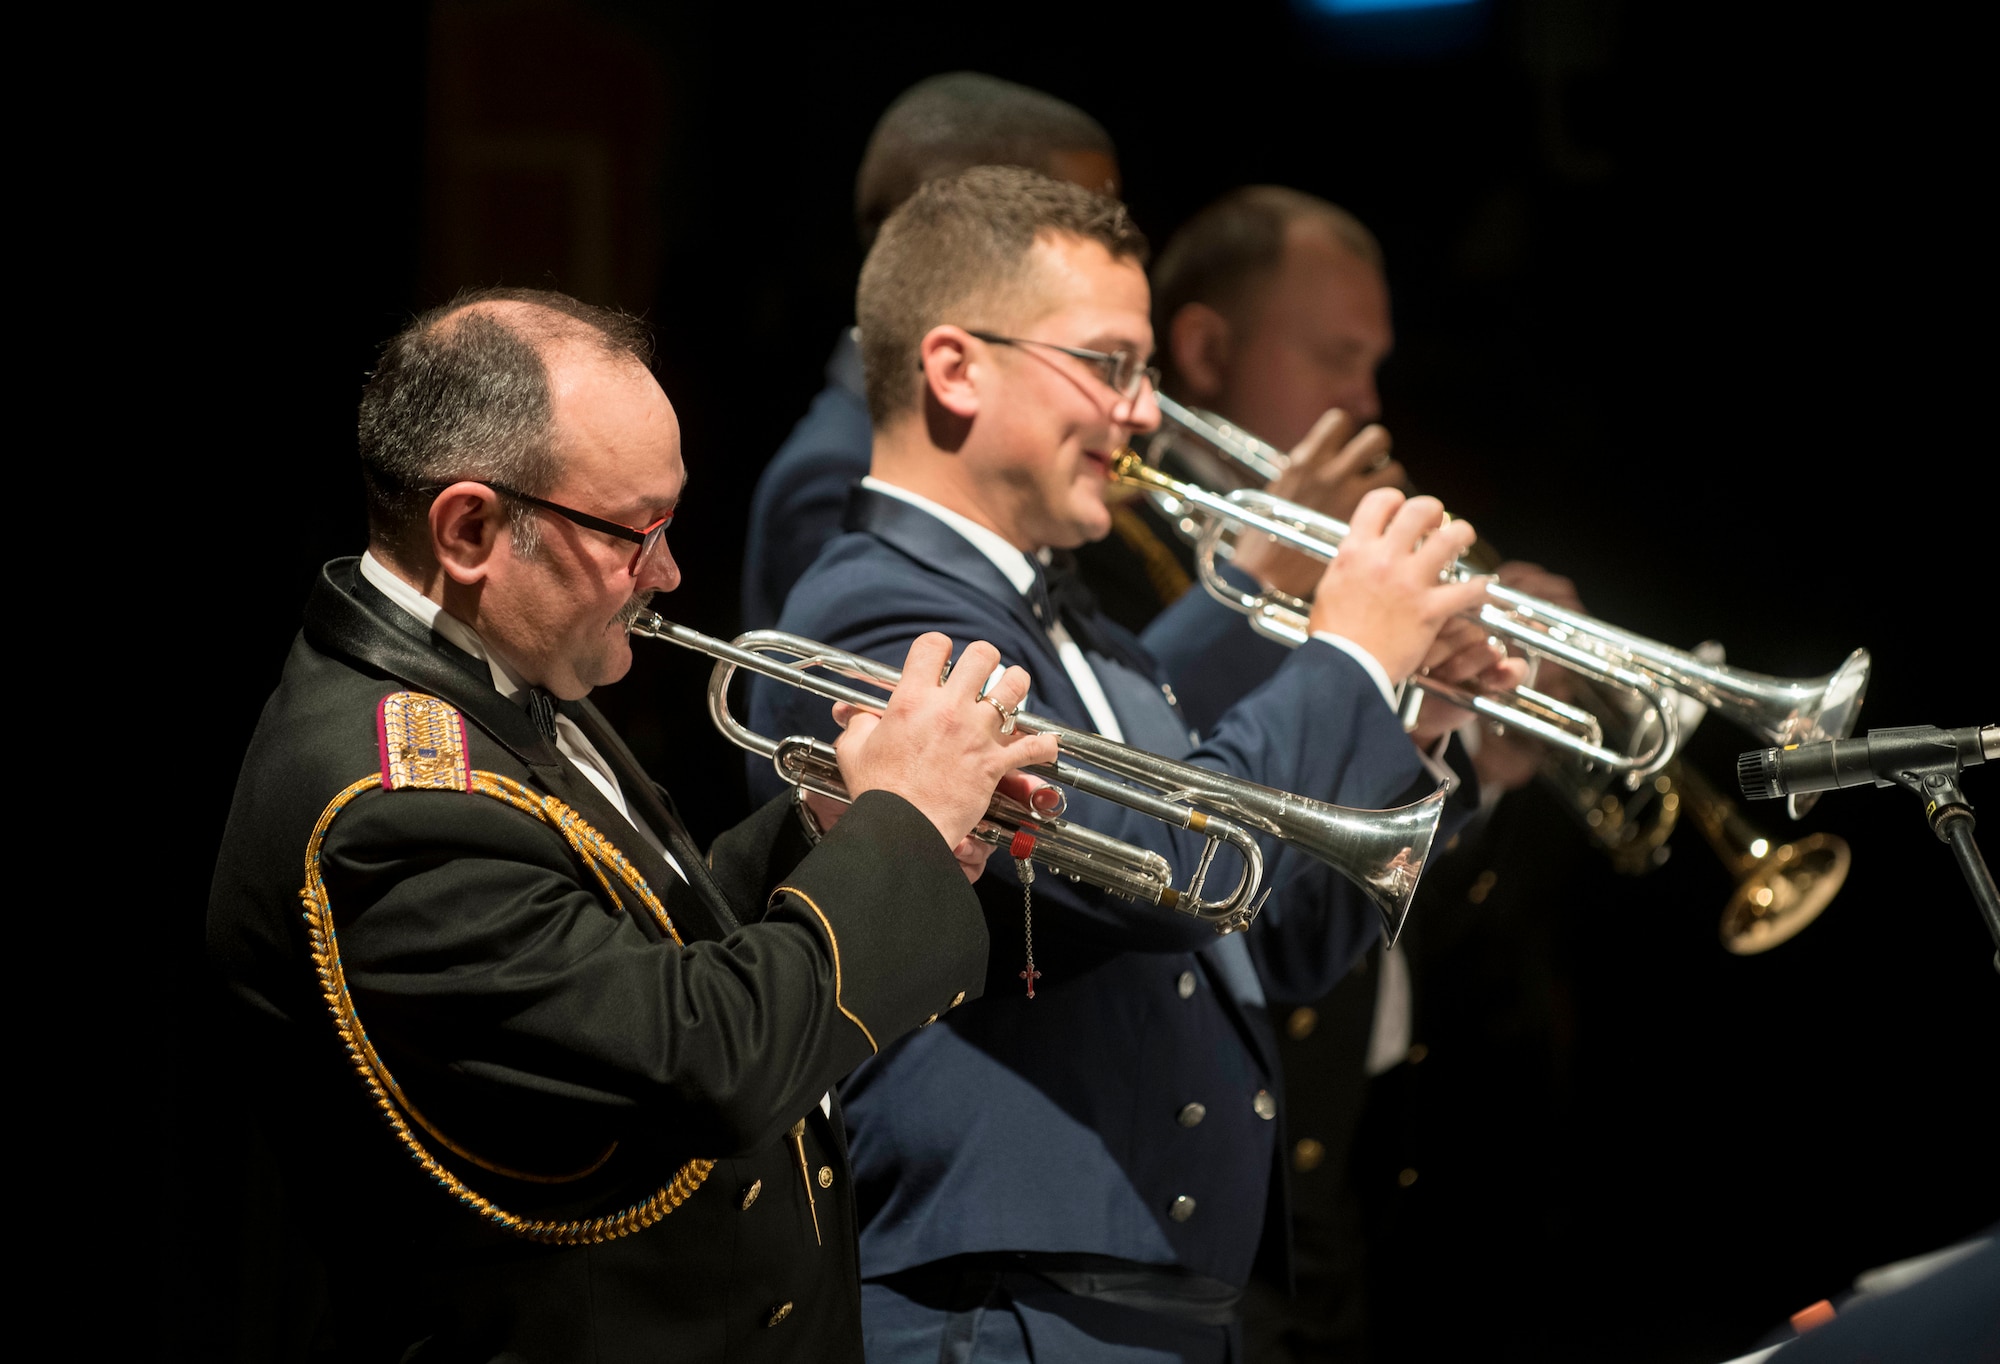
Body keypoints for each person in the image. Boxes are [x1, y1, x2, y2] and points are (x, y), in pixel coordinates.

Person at [747, 166, 1524, 1361]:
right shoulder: (875, 614)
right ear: (954, 367)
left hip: (1152, 1299)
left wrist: (1408, 722)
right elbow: (1161, 870)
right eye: (1109, 365)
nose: (1145, 411)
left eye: (1145, 371)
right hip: (999, 1307)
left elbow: (1265, 933)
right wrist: (1350, 660)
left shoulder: (1088, 631)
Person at [205, 287, 1063, 1361]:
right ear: (469, 526)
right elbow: (710, 1056)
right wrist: (899, 823)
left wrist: (832, 829)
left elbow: (623, 947)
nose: (667, 574)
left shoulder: (493, 674)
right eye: (635, 532)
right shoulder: (387, 805)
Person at [1149, 185, 1596, 1362]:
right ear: (1204, 347)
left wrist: (1466, 757)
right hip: (1206, 1172)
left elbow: (1372, 879)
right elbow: (1178, 805)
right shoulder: (1124, 540)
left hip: (1362, 1146)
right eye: (1332, 357)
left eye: (1374, 363)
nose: (1364, 401)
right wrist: (1296, 604)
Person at [741, 71, 1120, 631]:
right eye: (1068, 222)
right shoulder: (829, 476)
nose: (1108, 250)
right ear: (938, 224)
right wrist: (1255, 576)